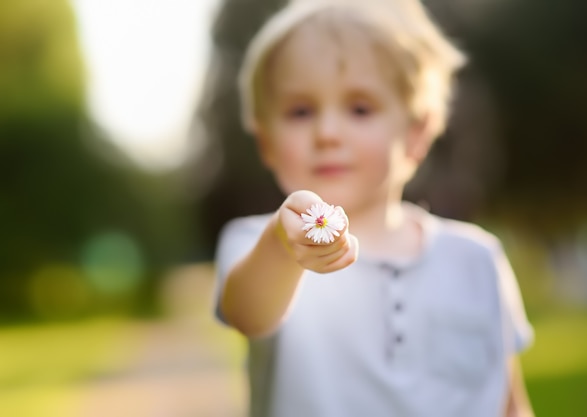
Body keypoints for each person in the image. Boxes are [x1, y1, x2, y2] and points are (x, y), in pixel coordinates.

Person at [212, 0, 535, 416]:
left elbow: (509, 401)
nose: (327, 132)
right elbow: (248, 315)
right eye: (300, 111)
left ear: (416, 134)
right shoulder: (258, 244)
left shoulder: (477, 259)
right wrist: (281, 246)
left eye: (360, 108)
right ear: (266, 143)